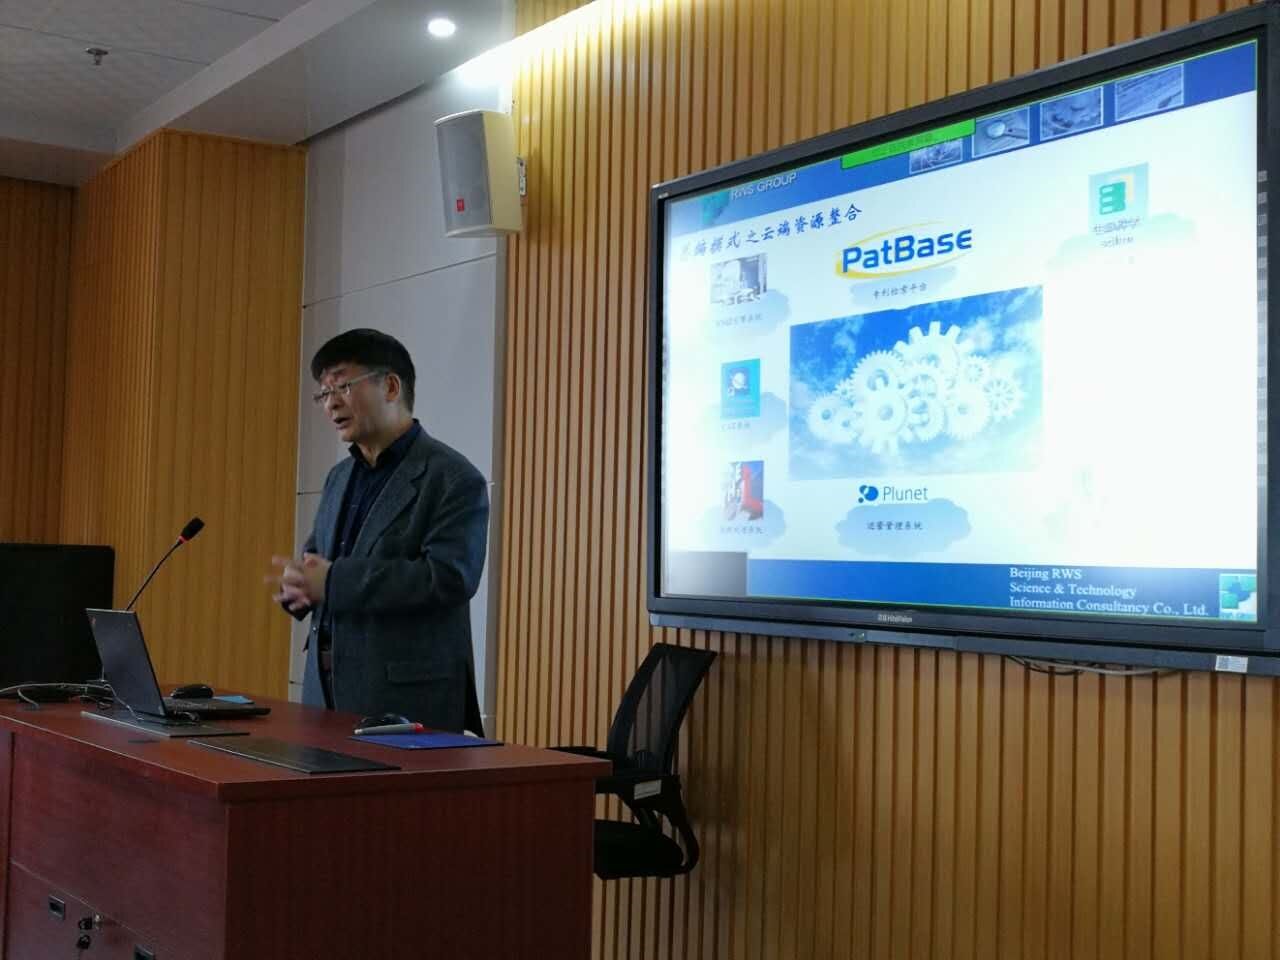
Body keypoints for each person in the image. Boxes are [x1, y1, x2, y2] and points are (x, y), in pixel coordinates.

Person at [269, 329, 489, 734]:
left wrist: (332, 581)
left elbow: (449, 577)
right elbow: (318, 561)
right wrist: (299, 583)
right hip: (325, 697)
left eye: (343, 386)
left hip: (406, 703)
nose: (330, 403)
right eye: (323, 393)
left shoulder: (453, 478)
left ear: (390, 386)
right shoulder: (339, 477)